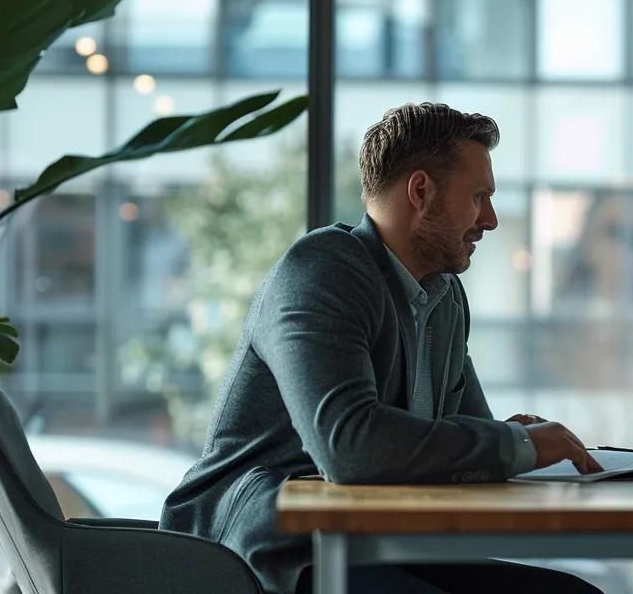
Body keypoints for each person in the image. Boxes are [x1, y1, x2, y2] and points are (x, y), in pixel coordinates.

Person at [160, 103, 603, 594]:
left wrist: (512, 441)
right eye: (479, 197)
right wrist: (512, 445)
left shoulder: (444, 298)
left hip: (376, 546)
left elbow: (471, 446)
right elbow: (349, 447)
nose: (491, 220)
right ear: (421, 191)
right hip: (265, 555)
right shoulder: (323, 271)